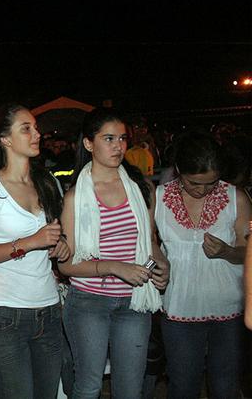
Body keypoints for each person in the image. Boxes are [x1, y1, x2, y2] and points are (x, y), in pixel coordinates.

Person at [57, 108, 169, 399]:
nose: (118, 146)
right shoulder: (75, 197)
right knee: (89, 387)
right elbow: (66, 266)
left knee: (130, 390)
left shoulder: (141, 187)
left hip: (134, 301)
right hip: (89, 302)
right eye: (109, 139)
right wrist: (115, 266)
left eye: (122, 138)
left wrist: (161, 263)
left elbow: (150, 242)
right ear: (88, 143)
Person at [0, 103, 70, 398]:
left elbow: (56, 237)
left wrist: (62, 247)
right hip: (6, 315)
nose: (36, 134)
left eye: (36, 128)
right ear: (5, 139)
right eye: (26, 129)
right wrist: (31, 241)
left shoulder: (47, 183)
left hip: (50, 311)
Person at [155, 131, 251, 399]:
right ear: (178, 170)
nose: (202, 190)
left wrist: (227, 251)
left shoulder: (236, 198)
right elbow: (146, 244)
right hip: (179, 309)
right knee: (183, 386)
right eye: (194, 183)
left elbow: (249, 251)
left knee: (225, 387)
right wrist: (156, 263)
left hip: (228, 310)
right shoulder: (158, 198)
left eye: (211, 183)